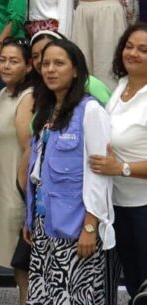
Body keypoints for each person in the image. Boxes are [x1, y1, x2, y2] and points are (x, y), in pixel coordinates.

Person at [23, 39, 114, 304]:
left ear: (76, 70)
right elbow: (37, 172)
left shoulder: (91, 110)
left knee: (76, 297)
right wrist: (30, 218)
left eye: (59, 63)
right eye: (46, 64)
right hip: (44, 222)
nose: (50, 69)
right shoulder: (46, 110)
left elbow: (99, 174)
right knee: (44, 295)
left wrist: (90, 225)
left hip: (75, 225)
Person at [89, 24, 147, 301]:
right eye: (129, 46)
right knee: (135, 284)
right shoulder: (122, 85)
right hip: (117, 204)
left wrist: (121, 168)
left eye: (143, 50)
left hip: (143, 206)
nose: (133, 53)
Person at [0, 39, 34, 305]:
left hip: (16, 189)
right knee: (18, 262)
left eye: (14, 61)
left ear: (28, 66)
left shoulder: (28, 96)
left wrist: (22, 190)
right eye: (2, 59)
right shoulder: (4, 93)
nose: (5, 65)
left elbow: (29, 148)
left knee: (24, 260)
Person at [30, 30, 111, 106]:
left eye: (59, 62)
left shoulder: (90, 84)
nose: (40, 60)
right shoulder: (42, 90)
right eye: (35, 56)